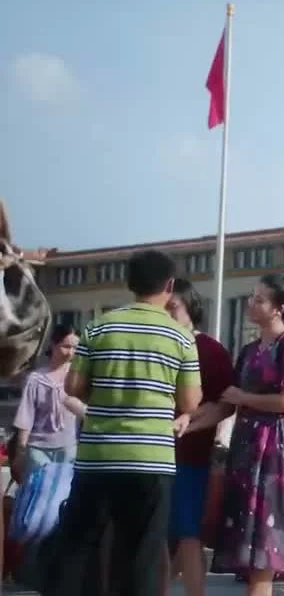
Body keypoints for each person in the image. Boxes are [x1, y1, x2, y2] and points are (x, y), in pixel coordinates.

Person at [47, 249, 202, 596]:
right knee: (143, 554)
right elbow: (190, 402)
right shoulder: (180, 337)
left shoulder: (98, 327)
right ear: (169, 285)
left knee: (81, 547)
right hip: (151, 461)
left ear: (129, 284)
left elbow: (74, 387)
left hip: (99, 458)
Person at [206, 272, 284, 594]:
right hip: (247, 447)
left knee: (265, 547)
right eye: (252, 298)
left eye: (259, 300)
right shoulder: (250, 349)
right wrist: (188, 423)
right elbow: (227, 402)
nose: (250, 304)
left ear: (279, 308)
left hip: (277, 450)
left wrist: (244, 398)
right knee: (248, 546)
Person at [165, 278, 236, 596]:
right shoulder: (155, 344)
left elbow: (225, 403)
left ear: (190, 306)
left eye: (173, 307)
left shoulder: (210, 350)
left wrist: (189, 422)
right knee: (159, 537)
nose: (167, 313)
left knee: (189, 535)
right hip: (150, 454)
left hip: (190, 458)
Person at [13, 322, 85, 467]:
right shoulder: (36, 379)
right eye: (66, 347)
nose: (70, 353)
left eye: (75, 348)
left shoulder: (76, 377)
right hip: (38, 449)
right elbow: (26, 417)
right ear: (53, 345)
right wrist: (21, 450)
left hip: (68, 447)